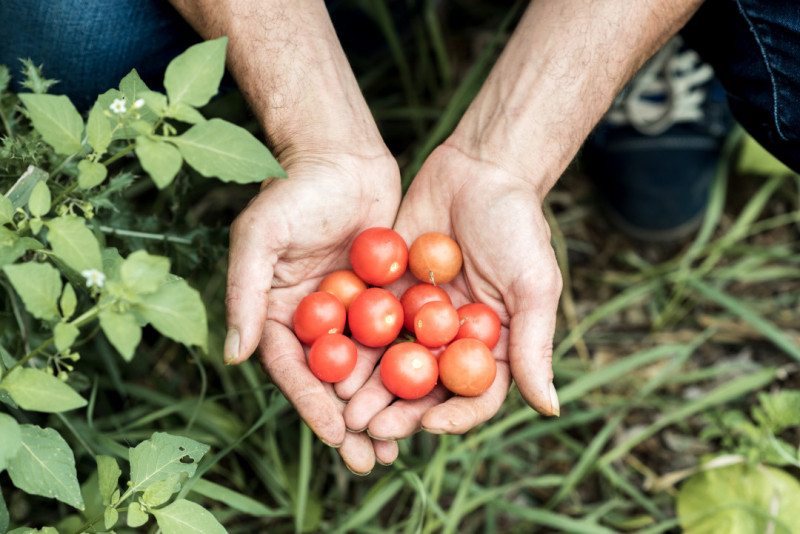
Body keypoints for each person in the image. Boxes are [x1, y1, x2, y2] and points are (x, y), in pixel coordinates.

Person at [2, 0, 798, 475]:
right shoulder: (404, 304)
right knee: (62, 32)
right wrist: (316, 121)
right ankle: (367, 25)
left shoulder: (421, 309)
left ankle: (656, 45)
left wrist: (514, 147)